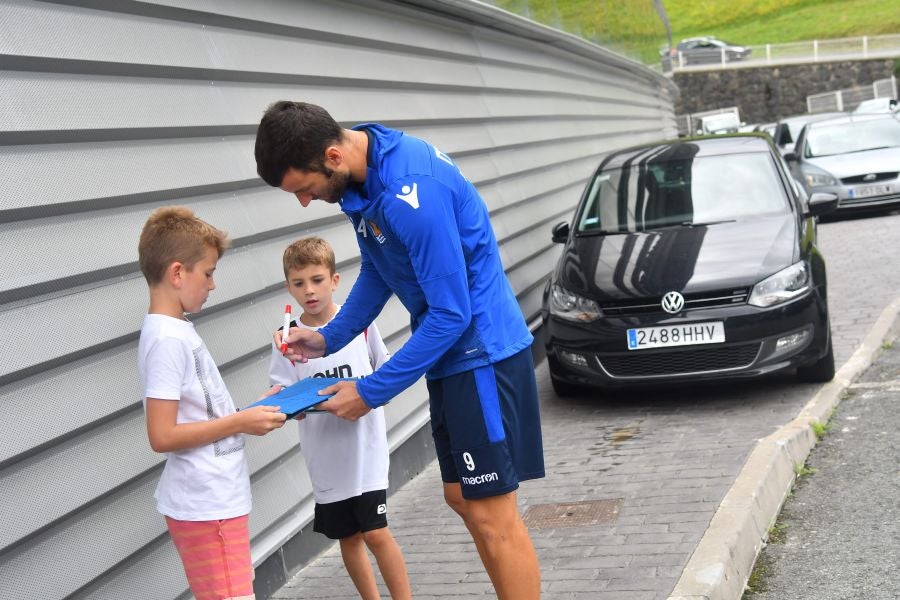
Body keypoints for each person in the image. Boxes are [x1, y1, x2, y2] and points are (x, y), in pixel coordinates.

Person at [255, 101, 545, 600]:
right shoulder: (361, 177)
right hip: (452, 357)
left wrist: (371, 391)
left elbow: (452, 314)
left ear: (332, 156)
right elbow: (378, 266)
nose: (304, 202)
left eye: (305, 188)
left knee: (492, 516)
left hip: (482, 355)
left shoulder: (411, 192)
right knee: (462, 498)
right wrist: (327, 338)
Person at [137, 206, 288, 600]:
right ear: (177, 273)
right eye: (208, 273)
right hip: (207, 505)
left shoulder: (176, 330)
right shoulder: (167, 340)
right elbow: (162, 435)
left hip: (216, 502)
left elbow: (198, 413)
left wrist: (246, 413)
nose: (212, 284)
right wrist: (239, 423)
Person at [268, 237, 411, 600]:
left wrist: (365, 394)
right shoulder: (286, 339)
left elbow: (385, 371)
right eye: (299, 283)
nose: (309, 290)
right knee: (349, 537)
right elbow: (283, 391)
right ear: (288, 288)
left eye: (317, 280)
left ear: (334, 280)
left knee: (376, 532)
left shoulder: (359, 323)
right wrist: (287, 407)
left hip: (366, 450)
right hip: (326, 457)